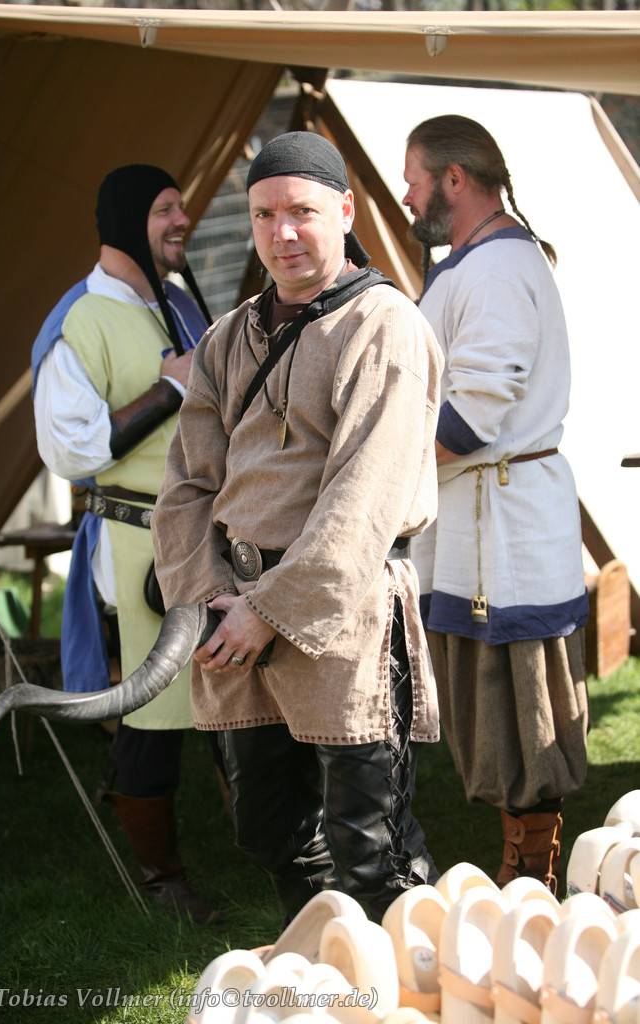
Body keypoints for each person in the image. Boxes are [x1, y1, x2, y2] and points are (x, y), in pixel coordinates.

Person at [151, 131, 442, 924]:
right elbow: (186, 486)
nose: (281, 232)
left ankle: (412, 983)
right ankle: (327, 969)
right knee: (272, 832)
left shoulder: (382, 324)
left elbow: (363, 498)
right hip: (230, 607)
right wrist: (206, 596)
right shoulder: (227, 337)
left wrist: (269, 610)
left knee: (371, 848)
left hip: (339, 611)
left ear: (344, 211)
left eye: (302, 212)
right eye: (263, 215)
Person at [402, 114, 589, 895]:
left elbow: (473, 415)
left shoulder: (497, 268)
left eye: (413, 180)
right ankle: (521, 863)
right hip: (479, 523)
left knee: (523, 707)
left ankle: (532, 874)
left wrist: (386, 468)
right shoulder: (479, 262)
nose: (406, 196)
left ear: (453, 179)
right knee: (494, 705)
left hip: (503, 530)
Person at [31, 164, 217, 923]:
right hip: (140, 538)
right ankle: (161, 877)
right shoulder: (81, 320)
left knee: (229, 689)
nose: (182, 221)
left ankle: (269, 840)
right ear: (128, 219)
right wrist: (168, 389)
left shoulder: (178, 303)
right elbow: (70, 448)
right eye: (166, 209)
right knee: (155, 713)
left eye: (182, 207)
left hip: (208, 534)